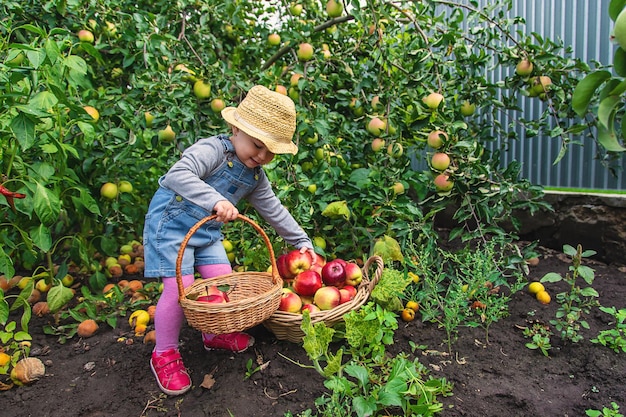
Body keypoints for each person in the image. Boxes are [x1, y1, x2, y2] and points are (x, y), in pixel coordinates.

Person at [143, 85, 315, 396]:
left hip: (205, 232)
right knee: (179, 292)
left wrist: (300, 241)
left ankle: (213, 334)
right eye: (257, 145)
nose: (262, 156)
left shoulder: (255, 176)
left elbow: (273, 210)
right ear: (236, 128)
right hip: (171, 228)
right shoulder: (212, 150)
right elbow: (177, 175)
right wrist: (214, 200)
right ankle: (164, 354)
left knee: (224, 283)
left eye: (270, 152)